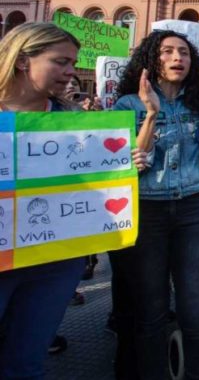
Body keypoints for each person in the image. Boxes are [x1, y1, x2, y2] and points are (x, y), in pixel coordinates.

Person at [113, 29, 199, 379]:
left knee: (195, 311)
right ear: (151, 60)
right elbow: (131, 160)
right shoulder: (128, 104)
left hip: (195, 210)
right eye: (169, 52)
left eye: (185, 53)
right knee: (151, 311)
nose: (178, 58)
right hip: (148, 211)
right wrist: (151, 113)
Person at [0, 23, 86, 378]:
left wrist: (122, 166)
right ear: (23, 60)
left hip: (55, 260)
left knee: (25, 363)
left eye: (73, 63)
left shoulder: (75, 120)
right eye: (61, 62)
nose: (71, 72)